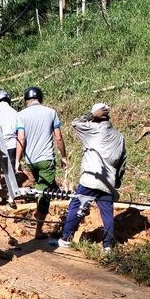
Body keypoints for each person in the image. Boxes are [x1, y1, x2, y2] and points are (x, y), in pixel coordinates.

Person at [49, 101, 126, 255]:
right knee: (107, 215)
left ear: (96, 117)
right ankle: (108, 246)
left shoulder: (92, 129)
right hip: (108, 183)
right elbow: (122, 162)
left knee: (76, 207)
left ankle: (66, 239)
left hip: (90, 180)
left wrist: (91, 115)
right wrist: (115, 184)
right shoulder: (119, 137)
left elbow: (75, 123)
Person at [15, 86, 68, 238]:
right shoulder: (51, 112)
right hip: (46, 160)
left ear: (27, 101)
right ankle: (38, 230)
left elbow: (21, 138)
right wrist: (63, 156)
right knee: (44, 193)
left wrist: (17, 160)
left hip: (31, 161)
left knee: (41, 189)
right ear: (40, 98)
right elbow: (58, 137)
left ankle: (38, 220)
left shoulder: (21, 115)